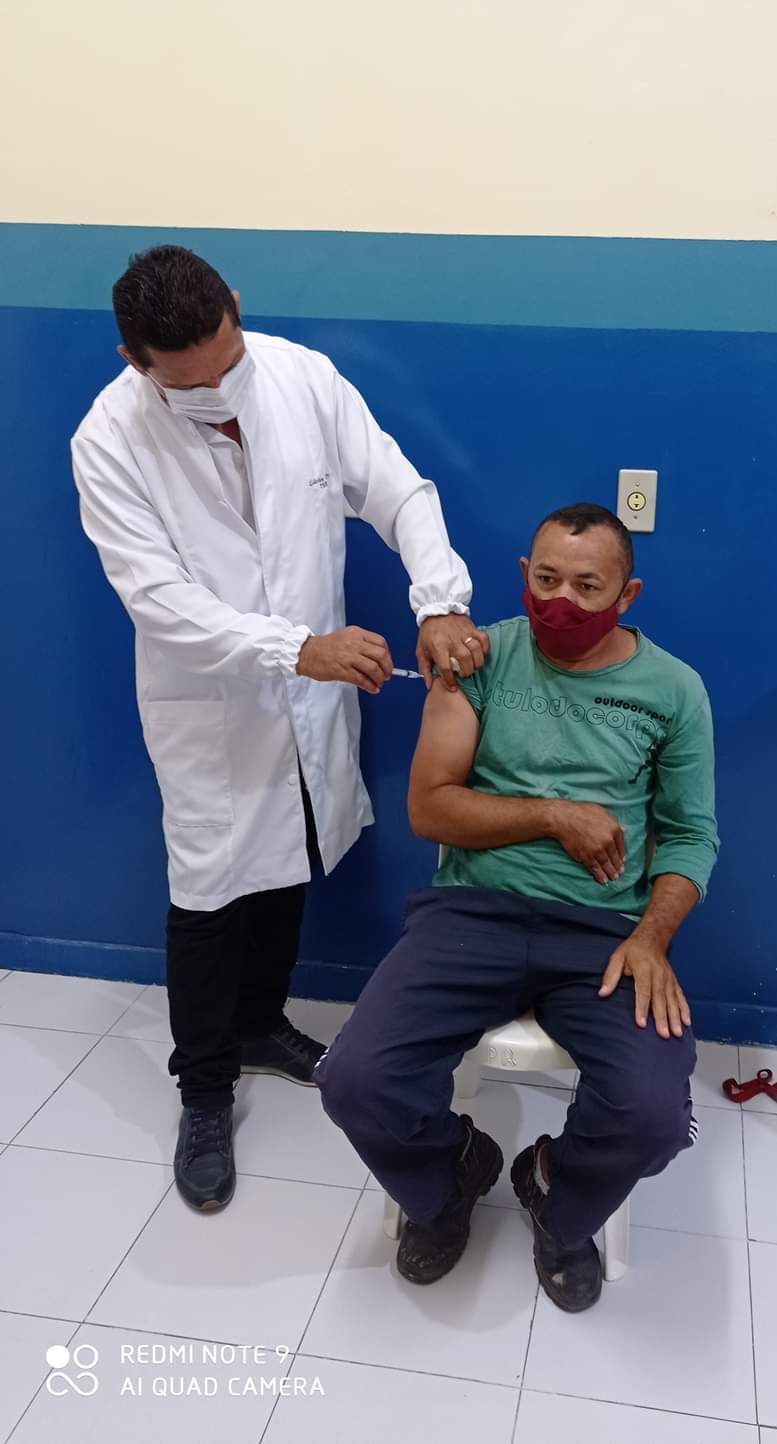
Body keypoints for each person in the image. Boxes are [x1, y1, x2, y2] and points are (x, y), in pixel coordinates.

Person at [71, 245, 488, 1214]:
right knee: (210, 891)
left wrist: (439, 598)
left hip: (312, 689)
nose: (219, 389)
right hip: (212, 703)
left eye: (228, 361)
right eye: (190, 383)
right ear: (136, 360)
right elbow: (158, 601)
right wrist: (296, 649)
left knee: (293, 850)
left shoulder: (302, 378)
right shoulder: (109, 438)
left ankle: (261, 1022)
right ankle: (204, 1088)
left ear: (235, 305)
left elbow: (397, 488)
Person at [315, 502, 717, 1311]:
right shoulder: (478, 658)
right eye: (547, 579)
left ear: (628, 594)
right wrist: (555, 816)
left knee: (653, 1116)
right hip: (472, 914)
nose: (561, 601)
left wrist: (652, 937)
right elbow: (430, 806)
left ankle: (557, 1194)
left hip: (606, 933)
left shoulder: (674, 690)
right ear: (524, 574)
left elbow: (689, 836)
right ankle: (448, 1179)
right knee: (355, 1081)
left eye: (587, 586)